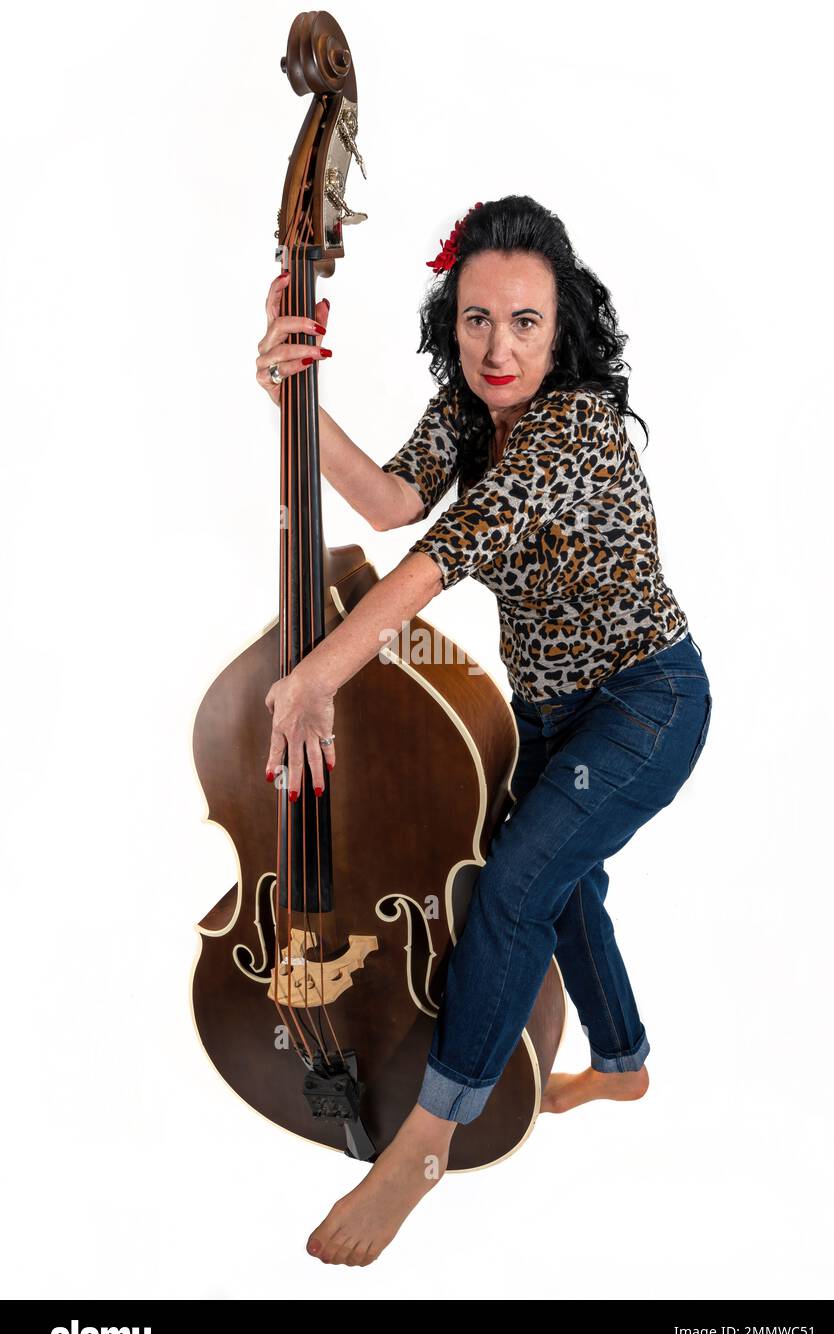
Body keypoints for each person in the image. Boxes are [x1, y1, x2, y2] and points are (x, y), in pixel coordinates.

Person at [254, 195, 712, 1267]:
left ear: (564, 332)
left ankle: (422, 1141)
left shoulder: (572, 430)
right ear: (450, 317)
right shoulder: (471, 408)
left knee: (513, 887)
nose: (495, 347)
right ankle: (624, 1058)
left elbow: (429, 565)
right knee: (562, 889)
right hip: (552, 710)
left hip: (646, 702)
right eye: (474, 320)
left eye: (523, 323)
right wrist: (285, 391)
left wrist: (318, 671)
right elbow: (383, 501)